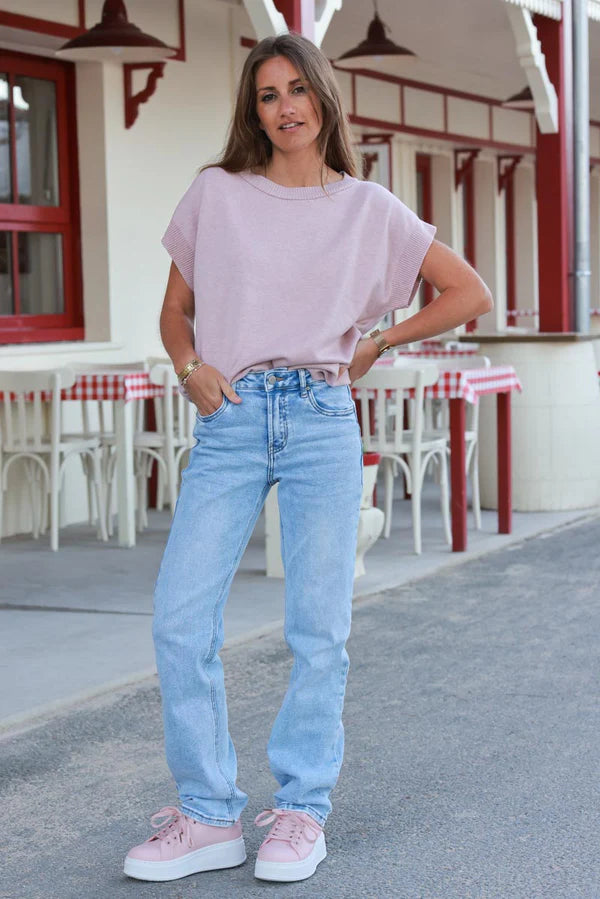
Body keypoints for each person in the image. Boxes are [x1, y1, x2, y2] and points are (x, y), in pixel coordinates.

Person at [123, 31, 492, 885]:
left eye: (297, 88)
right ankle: (210, 813)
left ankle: (300, 809)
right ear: (254, 111)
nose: (284, 106)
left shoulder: (368, 209)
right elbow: (175, 312)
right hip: (233, 412)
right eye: (266, 94)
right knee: (181, 619)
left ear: (323, 98)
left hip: (323, 414)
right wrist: (189, 369)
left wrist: (380, 339)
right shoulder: (217, 194)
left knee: (318, 628)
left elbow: (469, 289)